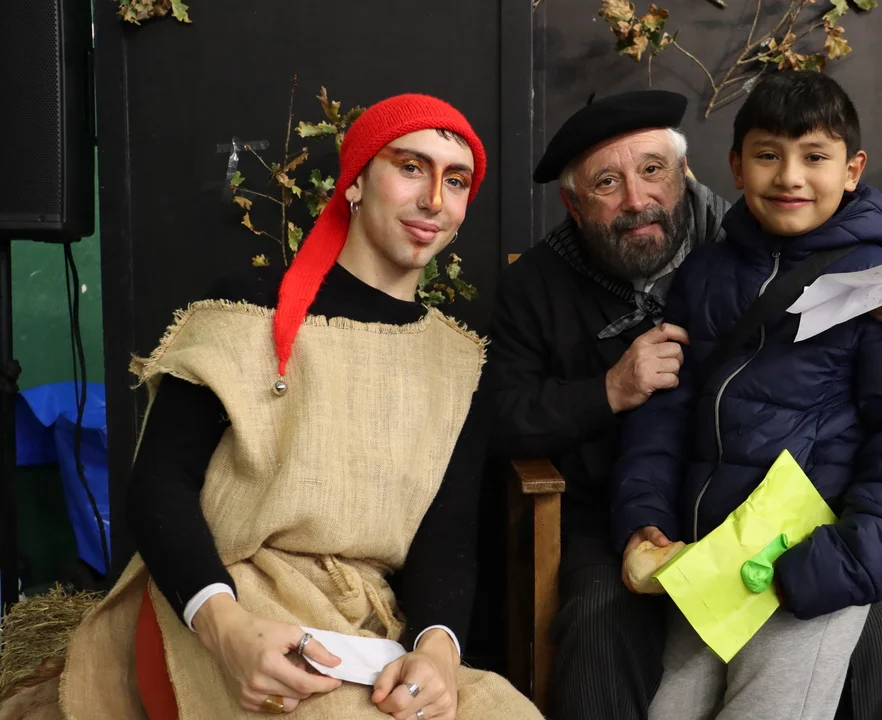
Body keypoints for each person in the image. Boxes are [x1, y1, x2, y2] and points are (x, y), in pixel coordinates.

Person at [12, 94, 541, 720]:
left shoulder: (458, 362)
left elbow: (446, 537)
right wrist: (226, 629)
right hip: (225, 601)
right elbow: (159, 487)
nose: (434, 199)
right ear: (355, 182)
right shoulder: (248, 311)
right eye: (410, 167)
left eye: (455, 181)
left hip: (365, 624)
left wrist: (438, 652)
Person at [486, 89, 882, 720]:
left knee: (855, 641)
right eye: (607, 182)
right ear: (573, 206)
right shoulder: (541, 285)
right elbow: (510, 417)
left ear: (686, 173)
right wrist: (610, 397)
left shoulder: (740, 230)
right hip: (633, 518)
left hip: (794, 539)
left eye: (653, 170)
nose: (637, 199)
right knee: (611, 630)